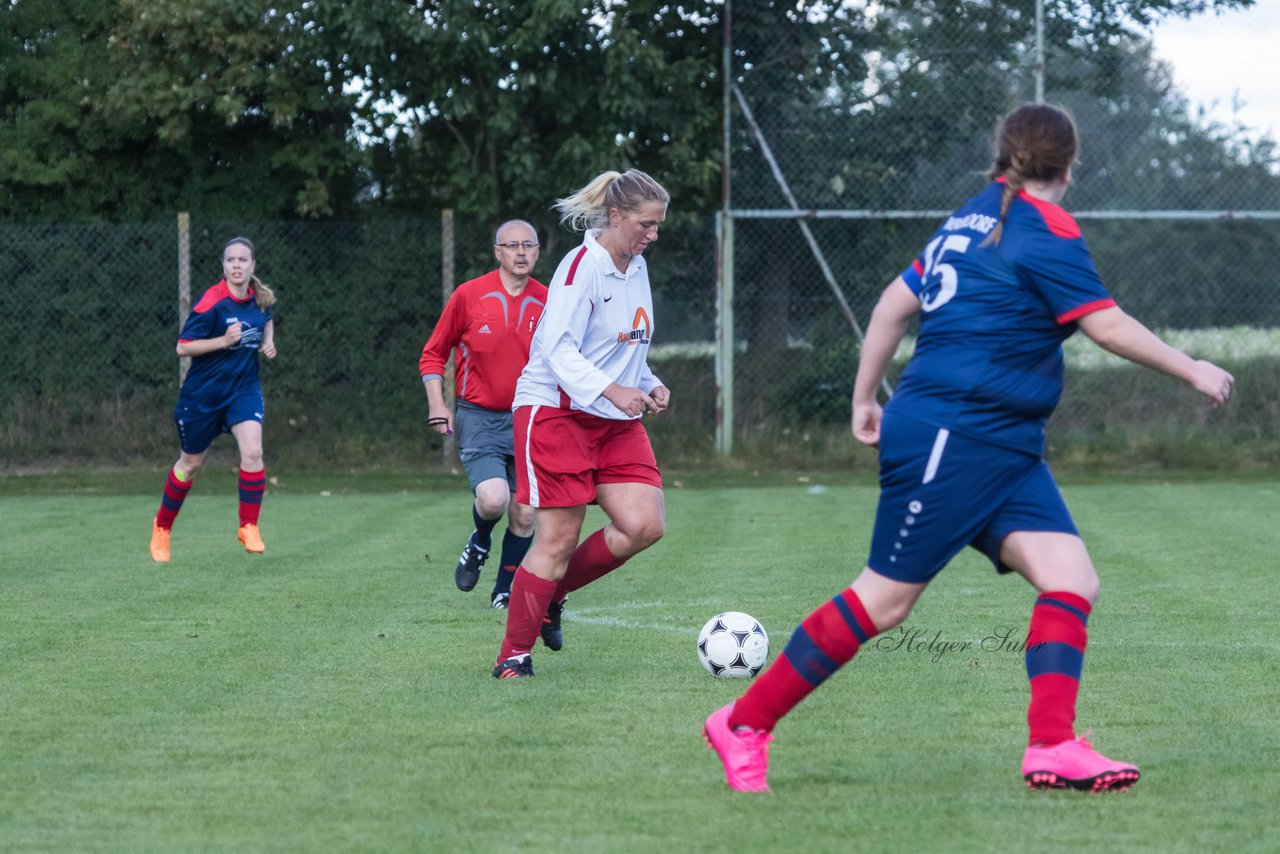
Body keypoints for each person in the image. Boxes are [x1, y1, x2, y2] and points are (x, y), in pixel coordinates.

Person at [703, 103, 1235, 793]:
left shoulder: (971, 216)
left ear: (1004, 156)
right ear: (1070, 167)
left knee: (1071, 579)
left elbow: (894, 304)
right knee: (886, 601)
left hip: (1003, 445)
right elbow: (1104, 326)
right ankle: (743, 722)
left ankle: (1052, 745)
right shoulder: (1045, 230)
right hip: (954, 437)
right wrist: (1193, 368)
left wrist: (866, 398)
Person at [492, 169, 672, 678]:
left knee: (644, 523)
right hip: (554, 412)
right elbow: (558, 349)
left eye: (658, 225)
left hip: (609, 416)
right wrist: (613, 390)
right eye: (646, 224)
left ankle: (554, 593)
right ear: (615, 216)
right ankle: (512, 658)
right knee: (557, 540)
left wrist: (649, 381)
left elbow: (625, 345)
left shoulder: (635, 267)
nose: (652, 235)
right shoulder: (580, 267)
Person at [419, 220, 548, 608]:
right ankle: (479, 541)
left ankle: (504, 590)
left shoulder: (550, 300)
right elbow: (433, 353)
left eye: (529, 245)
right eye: (512, 246)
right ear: (498, 252)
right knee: (493, 500)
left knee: (524, 512)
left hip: (530, 419)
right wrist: (437, 404)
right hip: (479, 417)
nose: (521, 252)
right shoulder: (469, 295)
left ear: (538, 251)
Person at [149, 237, 278, 563]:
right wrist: (223, 340)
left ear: (253, 266)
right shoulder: (212, 301)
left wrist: (268, 342)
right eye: (231, 260)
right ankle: (162, 527)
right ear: (224, 266)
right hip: (203, 396)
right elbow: (183, 346)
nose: (236, 265)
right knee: (190, 464)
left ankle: (248, 525)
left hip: (243, 391)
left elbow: (267, 318)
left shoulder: (259, 299)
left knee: (253, 451)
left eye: (242, 260)